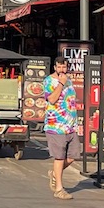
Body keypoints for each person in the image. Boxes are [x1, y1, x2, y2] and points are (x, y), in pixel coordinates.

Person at [43, 58, 81, 200]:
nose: (61, 70)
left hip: (70, 126)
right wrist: (60, 83)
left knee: (72, 157)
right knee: (59, 157)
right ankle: (59, 189)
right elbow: (52, 99)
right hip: (56, 126)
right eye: (59, 67)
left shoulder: (69, 80)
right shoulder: (49, 81)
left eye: (63, 67)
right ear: (54, 67)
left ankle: (54, 173)